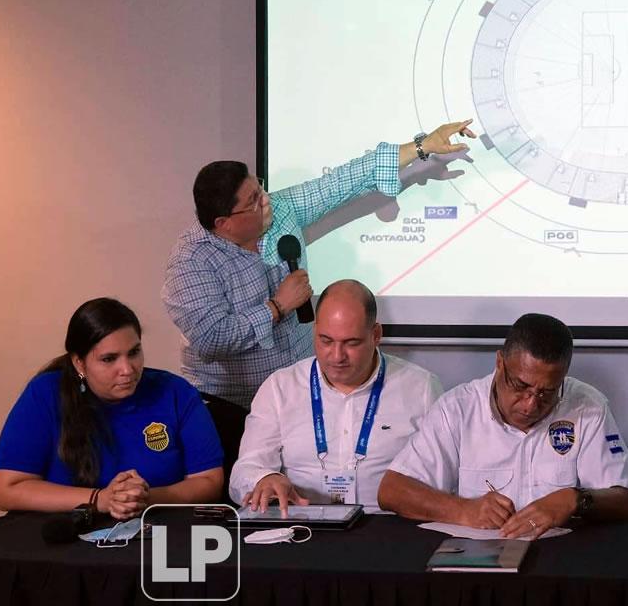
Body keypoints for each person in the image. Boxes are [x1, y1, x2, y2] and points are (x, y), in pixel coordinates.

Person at [161, 120, 475, 485]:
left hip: (303, 397)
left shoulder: (280, 213)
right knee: (249, 498)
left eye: (260, 189)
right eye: (254, 201)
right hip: (230, 405)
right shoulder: (190, 262)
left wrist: (420, 147)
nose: (267, 200)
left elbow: (339, 183)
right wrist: (277, 307)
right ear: (224, 222)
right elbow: (213, 339)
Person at [378, 313, 628, 538]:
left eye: (547, 392)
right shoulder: (458, 408)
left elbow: (625, 501)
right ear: (500, 363)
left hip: (563, 560)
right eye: (520, 386)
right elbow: (392, 490)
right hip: (481, 564)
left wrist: (576, 500)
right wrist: (463, 510)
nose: (530, 405)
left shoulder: (587, 406)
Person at [0, 298, 223, 519]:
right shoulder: (45, 394)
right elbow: (8, 490)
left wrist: (145, 499)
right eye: (109, 359)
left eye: (134, 353)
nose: (127, 369)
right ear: (79, 363)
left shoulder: (175, 392)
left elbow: (209, 481)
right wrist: (100, 499)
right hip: (64, 540)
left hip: (157, 535)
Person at [230, 280, 442, 511]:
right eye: (326, 341)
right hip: (304, 526)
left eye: (351, 343)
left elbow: (443, 477)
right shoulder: (280, 387)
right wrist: (264, 479)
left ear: (376, 335)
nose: (337, 356)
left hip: (389, 524)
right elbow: (245, 470)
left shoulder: (421, 388)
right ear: (314, 332)